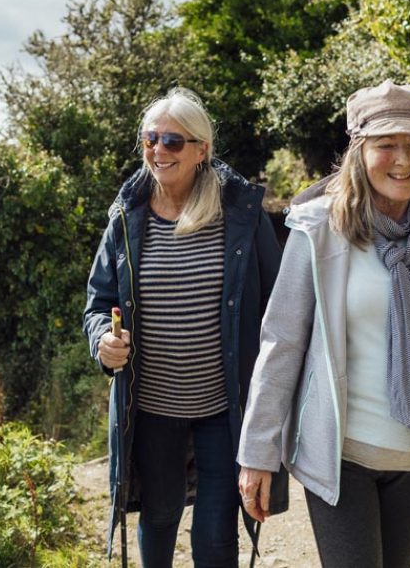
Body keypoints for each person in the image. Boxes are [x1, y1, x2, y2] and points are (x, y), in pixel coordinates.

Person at [236, 80, 410, 568]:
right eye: (387, 144)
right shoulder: (319, 231)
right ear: (359, 150)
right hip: (341, 459)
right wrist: (257, 452)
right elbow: (282, 342)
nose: (404, 159)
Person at [83, 87, 286, 568]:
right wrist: (103, 342)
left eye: (173, 141)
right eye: (150, 138)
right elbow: (99, 303)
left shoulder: (240, 215)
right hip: (152, 408)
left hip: (223, 406)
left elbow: (278, 304)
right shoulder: (126, 219)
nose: (158, 150)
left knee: (216, 533)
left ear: (201, 150)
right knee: (158, 517)